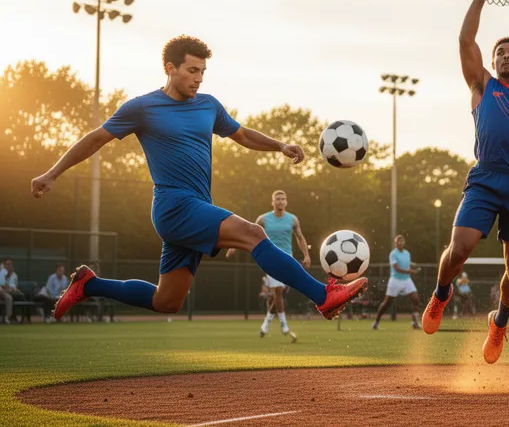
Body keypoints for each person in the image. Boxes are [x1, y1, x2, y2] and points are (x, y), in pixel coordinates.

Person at [32, 36, 365, 325]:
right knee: (253, 233)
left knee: (167, 302)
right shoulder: (143, 108)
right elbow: (95, 138)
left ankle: (89, 285)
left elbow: (243, 135)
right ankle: (323, 295)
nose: (198, 79)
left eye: (203, 72)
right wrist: (52, 173)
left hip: (196, 207)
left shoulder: (208, 105)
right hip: (174, 206)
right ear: (169, 68)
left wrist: (279, 145)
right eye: (192, 70)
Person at [421, 0, 509, 365]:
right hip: (484, 179)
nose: (507, 56)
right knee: (459, 249)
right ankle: (441, 293)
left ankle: (499, 321)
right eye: (501, 53)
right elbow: (466, 41)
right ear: (493, 62)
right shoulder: (482, 85)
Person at [227, 189, 311, 342]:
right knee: (278, 292)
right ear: (272, 202)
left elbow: (300, 237)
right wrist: (233, 245)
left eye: (283, 199)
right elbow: (248, 232)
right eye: (277, 199)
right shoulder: (263, 219)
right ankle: (284, 326)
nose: (280, 201)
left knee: (279, 295)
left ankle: (266, 323)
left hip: (288, 260)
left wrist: (306, 255)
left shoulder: (292, 220)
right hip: (270, 259)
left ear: (286, 202)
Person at [373, 234, 423, 330]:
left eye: (401, 241)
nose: (400, 243)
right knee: (387, 303)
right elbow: (396, 268)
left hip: (407, 280)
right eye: (398, 241)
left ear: (404, 242)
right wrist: (412, 271)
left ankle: (415, 323)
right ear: (395, 243)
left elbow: (407, 266)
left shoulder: (407, 253)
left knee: (416, 299)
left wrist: (411, 269)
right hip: (395, 280)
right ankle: (376, 322)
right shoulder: (393, 254)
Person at [0, 258, 21, 324]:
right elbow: (3, 287)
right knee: (9, 298)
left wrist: (15, 289)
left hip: (12, 292)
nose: (10, 266)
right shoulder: (2, 273)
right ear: (4, 265)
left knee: (19, 295)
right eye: (8, 264)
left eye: (11, 264)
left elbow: (15, 286)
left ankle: (13, 317)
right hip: (3, 292)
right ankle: (7, 317)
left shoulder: (15, 275)